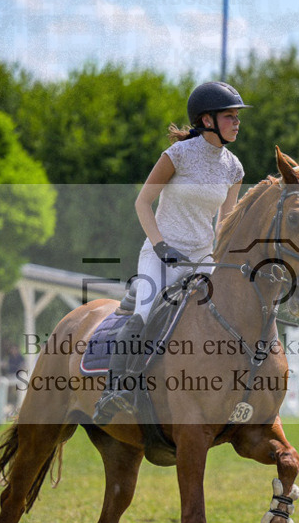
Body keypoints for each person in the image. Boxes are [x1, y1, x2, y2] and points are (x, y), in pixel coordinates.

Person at [93, 81, 250, 424]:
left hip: (202, 258)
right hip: (161, 251)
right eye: (230, 116)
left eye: (238, 117)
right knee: (144, 314)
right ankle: (115, 391)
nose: (237, 122)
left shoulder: (233, 167)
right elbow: (143, 202)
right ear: (207, 120)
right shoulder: (177, 155)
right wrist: (161, 245)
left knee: (227, 315)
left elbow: (225, 221)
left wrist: (226, 259)